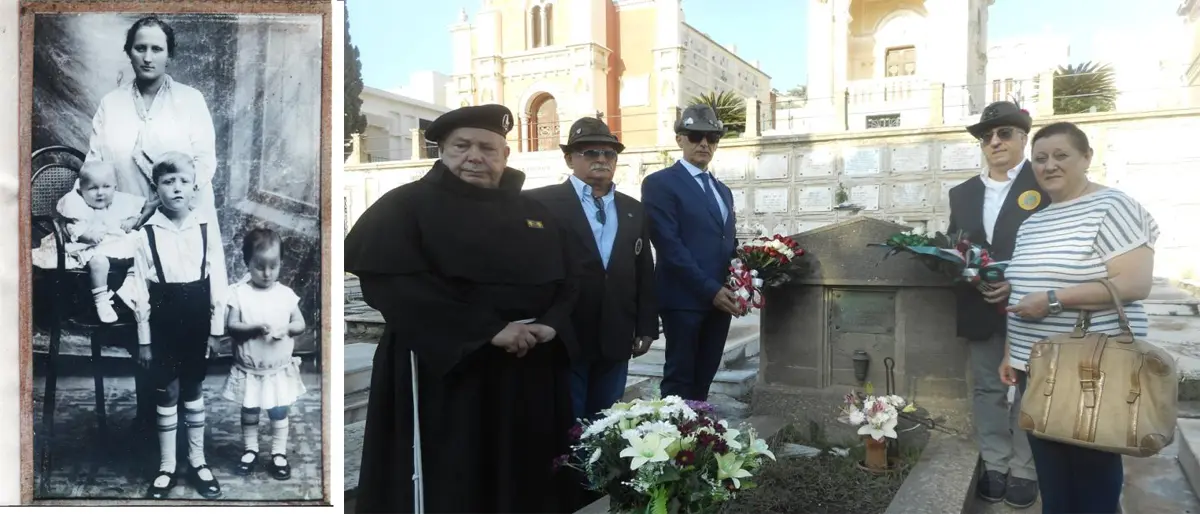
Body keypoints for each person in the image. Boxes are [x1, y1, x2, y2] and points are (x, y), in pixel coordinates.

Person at [346, 104, 579, 513]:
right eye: (462, 146)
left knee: (525, 473)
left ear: (506, 155)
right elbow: (393, 285)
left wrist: (551, 324)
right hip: (446, 372)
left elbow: (573, 279)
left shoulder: (538, 214)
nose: (475, 156)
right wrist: (485, 329)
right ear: (442, 150)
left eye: (488, 147)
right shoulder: (405, 206)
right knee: (455, 477)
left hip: (529, 372)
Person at [1001, 121, 1158, 514]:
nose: (1049, 165)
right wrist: (1010, 354)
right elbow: (1023, 292)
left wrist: (1054, 300)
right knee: (1052, 481)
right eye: (1040, 158)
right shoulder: (1033, 222)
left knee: (1092, 481)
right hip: (1034, 370)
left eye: (1060, 155)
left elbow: (1135, 283)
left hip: (1089, 368)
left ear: (1086, 158)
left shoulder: (1113, 206)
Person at [85, 14, 229, 427]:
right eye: (140, 47)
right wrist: (124, 212)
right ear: (129, 51)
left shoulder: (190, 99)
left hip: (183, 219)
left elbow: (204, 162)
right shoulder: (110, 105)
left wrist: (166, 202)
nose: (148, 56)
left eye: (157, 48)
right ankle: (151, 415)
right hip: (129, 222)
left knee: (181, 311)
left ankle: (186, 418)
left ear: (169, 55)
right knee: (140, 311)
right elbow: (96, 164)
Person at [525, 116, 658, 423]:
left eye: (609, 153)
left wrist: (647, 325)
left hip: (617, 330)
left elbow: (643, 268)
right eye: (589, 152)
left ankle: (599, 472)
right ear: (570, 158)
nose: (601, 159)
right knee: (566, 420)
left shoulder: (632, 208)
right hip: (564, 331)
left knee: (607, 421)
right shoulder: (539, 203)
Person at [946, 100, 1045, 508]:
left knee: (1031, 387)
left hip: (1033, 308)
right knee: (987, 388)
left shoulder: (1044, 184)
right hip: (980, 306)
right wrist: (957, 265)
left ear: (1023, 138)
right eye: (987, 136)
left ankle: (1025, 467)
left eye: (1004, 133)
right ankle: (995, 461)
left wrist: (1016, 284)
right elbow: (958, 244)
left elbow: (1050, 247)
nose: (994, 142)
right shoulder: (963, 193)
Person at [126, 152, 228, 499]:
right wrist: (144, 339)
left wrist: (216, 328)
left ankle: (198, 461)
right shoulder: (146, 233)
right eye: (168, 182)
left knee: (194, 387)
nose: (177, 188)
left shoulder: (204, 226)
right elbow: (140, 288)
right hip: (164, 317)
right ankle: (167, 465)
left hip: (198, 315)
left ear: (194, 185)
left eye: (184, 181)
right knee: (167, 390)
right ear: (157, 188)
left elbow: (218, 279)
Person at [641, 104, 739, 402]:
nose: (705, 144)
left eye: (712, 137)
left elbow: (727, 242)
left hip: (720, 301)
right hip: (684, 299)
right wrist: (710, 289)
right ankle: (673, 442)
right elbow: (669, 245)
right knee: (680, 380)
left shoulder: (722, 190)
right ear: (680, 139)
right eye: (696, 136)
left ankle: (701, 441)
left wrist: (741, 281)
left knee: (704, 377)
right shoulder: (660, 183)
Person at [221, 226, 307, 481]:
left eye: (274, 266)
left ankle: (278, 453)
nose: (267, 273)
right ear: (247, 262)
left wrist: (287, 329)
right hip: (251, 369)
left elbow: (300, 323)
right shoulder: (239, 294)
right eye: (260, 266)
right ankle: (250, 450)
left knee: (278, 409)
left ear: (281, 263)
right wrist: (253, 328)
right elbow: (233, 327)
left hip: (277, 370)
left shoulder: (285, 295)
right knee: (250, 410)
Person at [54, 160, 145, 323]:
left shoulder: (119, 202)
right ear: (81, 191)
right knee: (99, 262)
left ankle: (130, 287)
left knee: (141, 249)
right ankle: (102, 300)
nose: (100, 193)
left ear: (115, 188)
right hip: (92, 247)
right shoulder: (78, 206)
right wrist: (86, 235)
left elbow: (135, 214)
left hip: (116, 244)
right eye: (93, 188)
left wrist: (130, 222)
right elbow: (70, 228)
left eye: (106, 187)